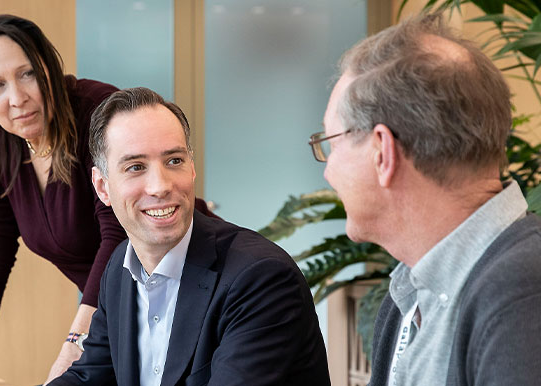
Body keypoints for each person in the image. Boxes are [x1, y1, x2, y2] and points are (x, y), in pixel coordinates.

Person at [312, 13, 541, 386]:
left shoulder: (532, 299)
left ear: (382, 152)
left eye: (331, 144)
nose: (328, 171)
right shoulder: (410, 296)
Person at [0, 15, 212, 386]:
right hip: (115, 298)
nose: (16, 98)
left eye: (27, 73)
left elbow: (118, 236)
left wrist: (75, 345)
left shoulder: (97, 111)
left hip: (186, 281)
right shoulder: (0, 141)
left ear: (49, 66)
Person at [48, 87, 330, 386]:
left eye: (174, 161)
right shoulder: (119, 268)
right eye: (135, 167)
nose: (160, 186)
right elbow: (88, 377)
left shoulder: (261, 278)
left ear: (192, 167)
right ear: (103, 187)